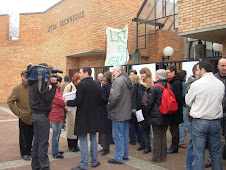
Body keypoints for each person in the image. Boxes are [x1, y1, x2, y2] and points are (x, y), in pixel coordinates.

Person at [186, 59, 224, 170]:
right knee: (216, 154)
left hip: (200, 120)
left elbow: (188, 101)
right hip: (216, 121)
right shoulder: (220, 84)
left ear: (202, 70)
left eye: (198, 70)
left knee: (199, 154)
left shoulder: (197, 84)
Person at [65, 66, 101, 170]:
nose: (79, 74)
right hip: (93, 116)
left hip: (83, 117)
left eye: (80, 72)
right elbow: (99, 101)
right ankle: (94, 161)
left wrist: (67, 102)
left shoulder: (81, 85)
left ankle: (83, 164)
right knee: (93, 139)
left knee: (83, 140)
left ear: (86, 73)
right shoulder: (97, 85)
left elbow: (78, 101)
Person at [28, 63, 57, 170]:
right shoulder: (40, 84)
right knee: (43, 144)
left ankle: (35, 166)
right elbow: (48, 98)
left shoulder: (33, 82)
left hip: (35, 115)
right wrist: (53, 86)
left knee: (36, 143)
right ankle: (44, 167)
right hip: (42, 116)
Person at [107, 65, 133, 164]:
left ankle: (118, 157)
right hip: (126, 111)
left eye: (113, 71)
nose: (113, 73)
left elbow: (114, 97)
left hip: (118, 112)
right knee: (125, 135)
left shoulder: (118, 81)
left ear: (118, 71)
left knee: (118, 135)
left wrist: (108, 106)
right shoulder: (128, 80)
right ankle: (124, 154)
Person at [147, 69, 173, 163]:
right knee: (163, 136)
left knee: (157, 137)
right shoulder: (170, 86)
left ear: (158, 76)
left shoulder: (155, 87)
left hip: (156, 115)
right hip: (167, 114)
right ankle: (163, 156)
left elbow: (150, 102)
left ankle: (156, 157)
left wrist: (147, 113)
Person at [7, 70, 34, 161]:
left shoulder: (32, 87)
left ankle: (29, 150)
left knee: (31, 135)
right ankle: (24, 153)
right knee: (23, 136)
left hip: (33, 116)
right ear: (22, 77)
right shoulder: (17, 89)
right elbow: (10, 101)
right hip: (24, 117)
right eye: (27, 76)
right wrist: (18, 113)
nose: (28, 78)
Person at [205, 58, 226, 168]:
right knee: (215, 138)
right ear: (218, 66)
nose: (224, 68)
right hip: (217, 112)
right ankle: (211, 159)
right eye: (222, 65)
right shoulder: (214, 79)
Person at [133, 67, 153, 154]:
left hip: (148, 109)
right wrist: (134, 108)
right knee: (142, 127)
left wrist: (146, 86)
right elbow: (135, 96)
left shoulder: (152, 84)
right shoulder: (138, 84)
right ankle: (144, 144)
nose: (141, 75)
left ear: (147, 74)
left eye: (143, 73)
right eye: (140, 73)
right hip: (139, 109)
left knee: (146, 127)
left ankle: (146, 145)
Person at [166, 65, 183, 154]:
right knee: (173, 129)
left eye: (168, 72)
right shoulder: (171, 81)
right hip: (173, 109)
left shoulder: (176, 83)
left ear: (173, 72)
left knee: (174, 129)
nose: (167, 74)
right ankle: (173, 146)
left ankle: (174, 147)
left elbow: (177, 97)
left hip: (175, 109)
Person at [185, 64, 199, 170]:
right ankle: (190, 166)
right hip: (193, 117)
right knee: (193, 143)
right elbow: (188, 101)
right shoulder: (192, 84)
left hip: (202, 118)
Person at [49, 76, 65, 159]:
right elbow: (61, 102)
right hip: (55, 115)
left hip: (58, 114)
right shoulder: (55, 91)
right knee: (55, 135)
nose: (60, 84)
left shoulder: (58, 90)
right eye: (59, 82)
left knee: (57, 134)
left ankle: (56, 150)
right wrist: (64, 100)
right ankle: (55, 152)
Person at [63, 73, 80, 152]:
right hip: (70, 111)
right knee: (70, 129)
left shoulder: (79, 86)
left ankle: (75, 145)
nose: (79, 81)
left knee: (76, 129)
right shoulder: (69, 86)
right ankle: (71, 145)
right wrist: (66, 108)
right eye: (78, 79)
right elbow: (64, 98)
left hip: (77, 110)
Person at [98, 74, 112, 156]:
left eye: (104, 81)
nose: (103, 82)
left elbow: (108, 100)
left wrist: (101, 97)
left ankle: (106, 147)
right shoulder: (102, 88)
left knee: (105, 130)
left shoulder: (109, 89)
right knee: (101, 130)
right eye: (102, 81)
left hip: (106, 112)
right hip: (101, 111)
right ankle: (103, 146)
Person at [129, 74, 142, 145]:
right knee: (137, 124)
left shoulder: (132, 88)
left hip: (133, 107)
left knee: (131, 124)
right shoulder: (139, 87)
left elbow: (133, 98)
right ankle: (140, 138)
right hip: (138, 108)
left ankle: (132, 140)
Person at [178, 70, 189, 148]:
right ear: (185, 76)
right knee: (184, 124)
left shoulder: (177, 83)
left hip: (179, 105)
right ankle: (181, 141)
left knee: (180, 124)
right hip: (184, 106)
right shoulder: (184, 84)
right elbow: (184, 96)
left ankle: (179, 140)